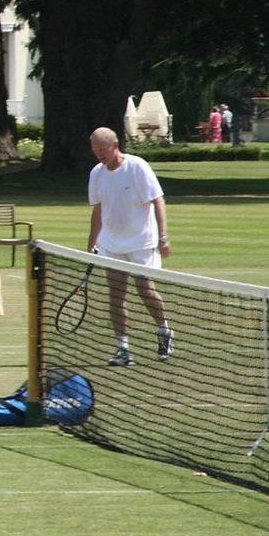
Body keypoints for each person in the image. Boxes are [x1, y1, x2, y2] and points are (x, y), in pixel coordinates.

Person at [87, 126, 174, 366]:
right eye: (95, 151)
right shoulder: (97, 173)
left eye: (102, 150)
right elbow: (98, 209)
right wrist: (91, 244)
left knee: (145, 290)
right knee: (115, 295)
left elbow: (158, 200)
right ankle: (123, 348)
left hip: (142, 242)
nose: (99, 155)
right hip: (111, 244)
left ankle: (164, 330)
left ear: (115, 146)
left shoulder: (137, 166)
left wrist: (163, 236)